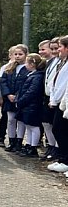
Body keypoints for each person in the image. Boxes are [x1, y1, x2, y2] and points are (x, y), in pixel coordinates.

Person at [0, 44, 28, 152]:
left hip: (21, 99)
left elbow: (26, 84)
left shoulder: (28, 68)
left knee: (20, 121)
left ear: (26, 55)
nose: (17, 56)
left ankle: (19, 142)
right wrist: (8, 94)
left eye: (20, 54)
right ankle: (11, 140)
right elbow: (3, 82)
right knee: (11, 120)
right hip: (9, 98)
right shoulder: (9, 67)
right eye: (15, 54)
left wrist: (18, 96)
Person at [46, 37, 68, 171]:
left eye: (60, 47)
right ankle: (63, 158)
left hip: (63, 102)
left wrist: (55, 100)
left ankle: (65, 160)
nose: (58, 50)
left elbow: (63, 85)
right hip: (60, 101)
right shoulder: (63, 62)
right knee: (58, 129)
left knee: (60, 130)